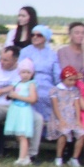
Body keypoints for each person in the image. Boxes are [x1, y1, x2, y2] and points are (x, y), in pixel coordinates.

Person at [20, 24, 58, 158]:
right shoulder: (25, 51)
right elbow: (20, 71)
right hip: (29, 83)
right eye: (33, 35)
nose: (35, 37)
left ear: (46, 38)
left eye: (39, 35)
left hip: (47, 84)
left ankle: (43, 138)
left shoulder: (52, 54)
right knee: (35, 96)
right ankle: (28, 146)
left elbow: (56, 75)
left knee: (50, 96)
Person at [47, 65, 84, 167]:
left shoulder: (75, 90)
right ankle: (59, 157)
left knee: (82, 134)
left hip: (72, 117)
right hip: (59, 116)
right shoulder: (55, 90)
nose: (72, 82)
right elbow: (55, 106)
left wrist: (78, 119)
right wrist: (61, 119)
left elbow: (77, 105)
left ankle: (74, 158)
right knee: (63, 133)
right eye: (70, 80)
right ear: (63, 79)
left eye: (74, 80)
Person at [4, 59, 40, 165]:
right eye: (23, 72)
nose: (25, 75)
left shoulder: (31, 84)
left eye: (28, 72)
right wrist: (10, 95)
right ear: (19, 73)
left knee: (22, 134)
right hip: (15, 110)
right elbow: (10, 94)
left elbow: (33, 99)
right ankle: (26, 156)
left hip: (24, 111)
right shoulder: (16, 83)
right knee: (18, 134)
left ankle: (22, 158)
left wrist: (17, 96)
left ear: (32, 73)